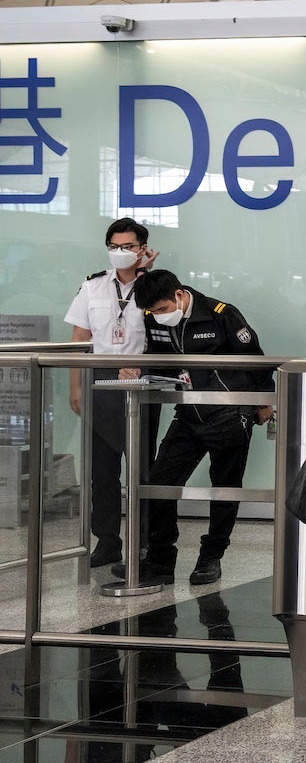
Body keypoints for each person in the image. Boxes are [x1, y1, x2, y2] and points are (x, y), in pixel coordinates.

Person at [123, 270, 273, 587]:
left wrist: (264, 401)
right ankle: (160, 561)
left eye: (162, 309)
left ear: (178, 295)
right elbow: (159, 358)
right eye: (152, 312)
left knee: (224, 488)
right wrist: (138, 367)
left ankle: (211, 556)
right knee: (160, 482)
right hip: (189, 414)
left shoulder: (221, 314)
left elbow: (256, 358)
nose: (159, 317)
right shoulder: (154, 318)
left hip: (230, 413)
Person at [64, 218, 160, 568]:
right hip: (100, 380)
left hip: (141, 380)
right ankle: (106, 540)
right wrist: (75, 385)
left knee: (142, 467)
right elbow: (79, 339)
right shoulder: (93, 286)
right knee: (101, 470)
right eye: (115, 246)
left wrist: (148, 274)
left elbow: (166, 327)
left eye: (129, 246)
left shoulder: (155, 286)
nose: (121, 252)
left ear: (143, 248)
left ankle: (146, 538)